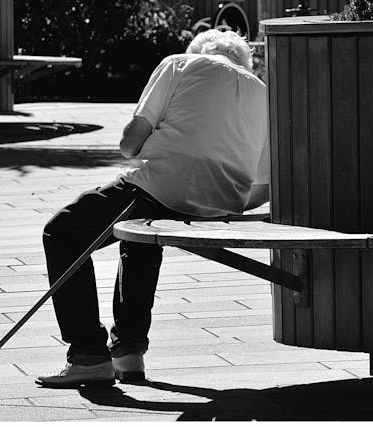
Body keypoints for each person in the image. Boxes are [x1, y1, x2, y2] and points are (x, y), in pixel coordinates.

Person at [37, 29, 269, 387]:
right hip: (222, 202)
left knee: (62, 231)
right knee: (139, 235)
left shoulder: (179, 64)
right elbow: (261, 188)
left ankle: (87, 354)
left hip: (161, 187)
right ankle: (128, 353)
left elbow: (129, 143)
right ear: (244, 63)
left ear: (197, 51)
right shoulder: (263, 93)